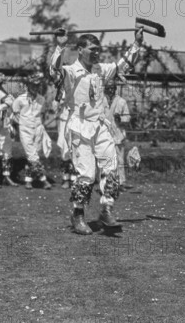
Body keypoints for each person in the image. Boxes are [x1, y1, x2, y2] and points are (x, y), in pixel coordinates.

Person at [49, 27, 143, 235]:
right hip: (80, 127)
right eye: (92, 49)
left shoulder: (100, 69)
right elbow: (55, 70)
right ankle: (78, 215)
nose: (96, 53)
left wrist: (136, 44)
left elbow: (123, 65)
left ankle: (106, 209)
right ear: (80, 50)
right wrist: (61, 45)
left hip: (101, 126)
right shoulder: (72, 71)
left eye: (98, 49)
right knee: (86, 175)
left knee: (111, 167)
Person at [12, 72, 53, 190]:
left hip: (38, 129)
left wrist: (41, 127)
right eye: (33, 85)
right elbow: (15, 115)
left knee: (34, 155)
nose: (35, 88)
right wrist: (18, 127)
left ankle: (28, 181)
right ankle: (43, 180)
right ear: (28, 85)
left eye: (37, 86)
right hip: (25, 129)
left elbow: (42, 114)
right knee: (32, 156)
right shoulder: (20, 99)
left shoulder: (41, 99)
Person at [103, 80, 132, 191]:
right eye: (108, 88)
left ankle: (121, 183)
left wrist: (121, 119)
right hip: (105, 135)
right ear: (105, 89)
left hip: (118, 135)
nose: (110, 90)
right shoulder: (101, 101)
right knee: (106, 160)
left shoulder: (121, 102)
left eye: (112, 88)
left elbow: (128, 118)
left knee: (120, 160)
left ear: (115, 89)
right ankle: (107, 182)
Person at [55, 89, 78, 189]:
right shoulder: (62, 90)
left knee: (75, 150)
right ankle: (65, 178)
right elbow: (56, 105)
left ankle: (74, 179)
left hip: (76, 121)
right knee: (64, 151)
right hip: (64, 121)